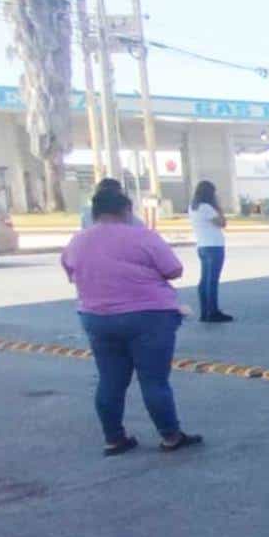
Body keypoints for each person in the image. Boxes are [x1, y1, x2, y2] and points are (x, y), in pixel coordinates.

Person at [60, 189, 202, 456]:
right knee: (154, 380)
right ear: (127, 209)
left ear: (94, 212)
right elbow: (174, 269)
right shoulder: (142, 236)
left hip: (98, 318)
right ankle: (170, 436)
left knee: (110, 380)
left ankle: (114, 439)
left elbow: (69, 270)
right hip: (149, 317)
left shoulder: (77, 241)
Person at [189, 180, 232, 323]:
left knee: (204, 280)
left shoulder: (193, 207)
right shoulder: (207, 207)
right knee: (212, 281)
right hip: (214, 246)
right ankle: (213, 312)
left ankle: (204, 311)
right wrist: (219, 207)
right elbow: (222, 223)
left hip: (202, 246)